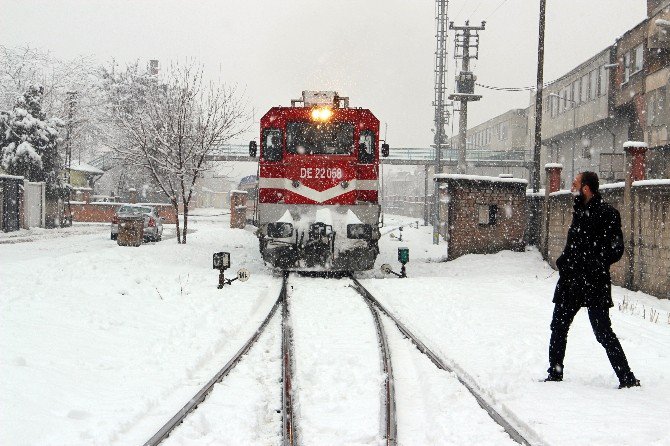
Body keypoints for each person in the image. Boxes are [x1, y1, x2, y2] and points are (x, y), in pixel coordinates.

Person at [545, 171, 640, 389]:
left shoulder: (608, 213)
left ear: (586, 189)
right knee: (558, 327)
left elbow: (616, 249)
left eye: (575, 184)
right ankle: (555, 373)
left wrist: (593, 262)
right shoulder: (578, 212)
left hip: (594, 282)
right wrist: (564, 261)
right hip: (571, 281)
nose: (572, 188)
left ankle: (626, 378)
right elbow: (574, 246)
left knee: (603, 332)